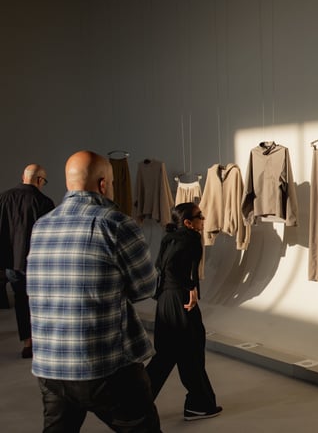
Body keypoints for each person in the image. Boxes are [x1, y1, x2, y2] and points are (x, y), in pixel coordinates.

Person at [26, 151, 161, 432]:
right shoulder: (117, 223)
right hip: (104, 365)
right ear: (103, 184)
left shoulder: (41, 225)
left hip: (51, 366)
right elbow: (145, 288)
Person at [146, 202, 222, 421]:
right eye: (200, 216)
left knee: (167, 355)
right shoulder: (191, 239)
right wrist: (189, 288)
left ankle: (135, 406)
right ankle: (199, 404)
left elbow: (162, 267)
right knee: (192, 350)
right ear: (188, 223)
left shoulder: (170, 237)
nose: (204, 219)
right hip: (180, 301)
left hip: (166, 300)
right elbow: (172, 267)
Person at [0, 164, 55, 358]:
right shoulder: (44, 202)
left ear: (23, 176)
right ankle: (43, 341)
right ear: (39, 180)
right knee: (41, 302)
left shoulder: (4, 198)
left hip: (11, 263)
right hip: (37, 263)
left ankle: (28, 343)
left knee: (21, 301)